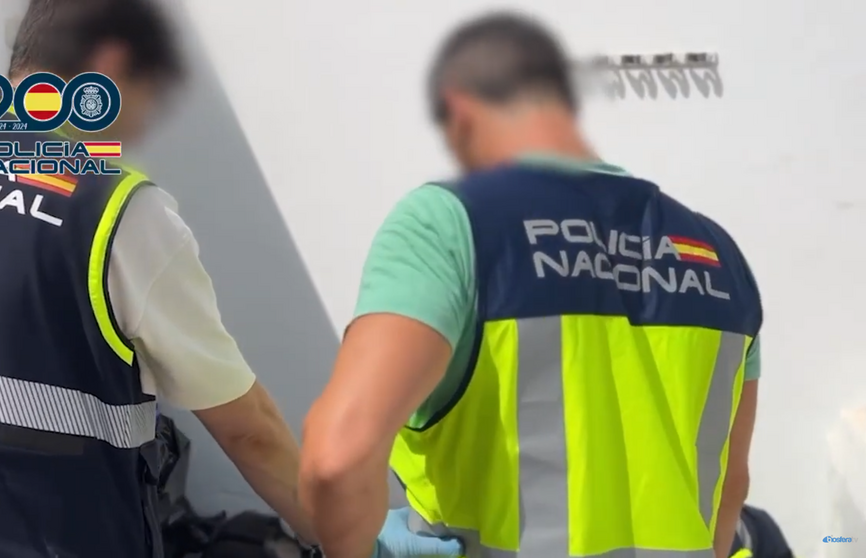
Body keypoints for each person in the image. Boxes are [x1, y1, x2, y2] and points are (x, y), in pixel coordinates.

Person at [299, 11, 762, 558]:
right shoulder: (718, 253)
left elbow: (338, 460)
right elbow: (730, 489)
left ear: (461, 111)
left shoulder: (449, 226)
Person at [0, 0, 314, 557]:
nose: (145, 122)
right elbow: (250, 430)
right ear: (111, 65)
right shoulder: (117, 211)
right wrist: (350, 537)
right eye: (151, 93)